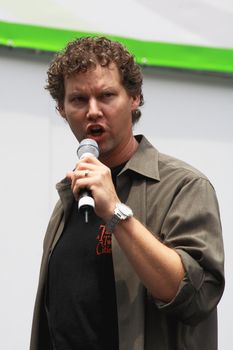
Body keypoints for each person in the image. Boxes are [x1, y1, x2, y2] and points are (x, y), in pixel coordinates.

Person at [30, 37, 224, 350]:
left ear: (134, 98)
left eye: (106, 95)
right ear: (62, 110)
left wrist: (117, 212)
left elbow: (196, 297)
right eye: (78, 100)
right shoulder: (69, 200)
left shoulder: (183, 186)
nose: (93, 111)